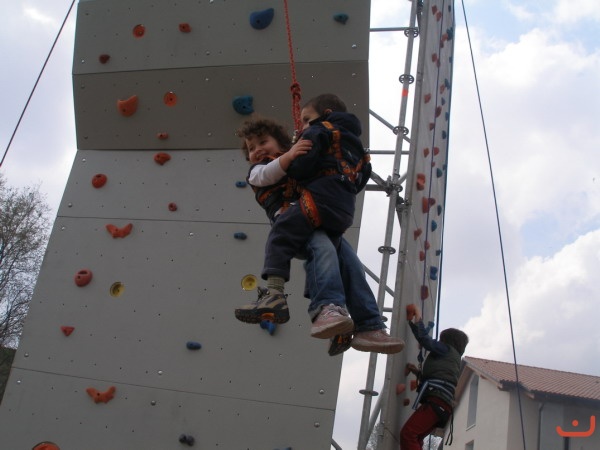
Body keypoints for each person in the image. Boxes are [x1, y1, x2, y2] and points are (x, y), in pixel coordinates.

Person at [234, 113, 404, 354]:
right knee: (322, 249)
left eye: (263, 142)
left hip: (318, 220)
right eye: (252, 148)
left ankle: (369, 325)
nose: (257, 150)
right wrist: (290, 155)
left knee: (352, 266)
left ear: (281, 143)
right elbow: (268, 174)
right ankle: (326, 308)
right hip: (294, 227)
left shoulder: (298, 162)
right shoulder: (258, 171)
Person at [400, 306, 469, 449]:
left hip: (437, 402)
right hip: (442, 406)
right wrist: (416, 372)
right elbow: (439, 378)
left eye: (441, 340)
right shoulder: (453, 358)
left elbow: (425, 341)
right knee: (417, 437)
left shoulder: (446, 349)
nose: (439, 342)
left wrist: (418, 319)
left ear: (447, 341)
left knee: (409, 434)